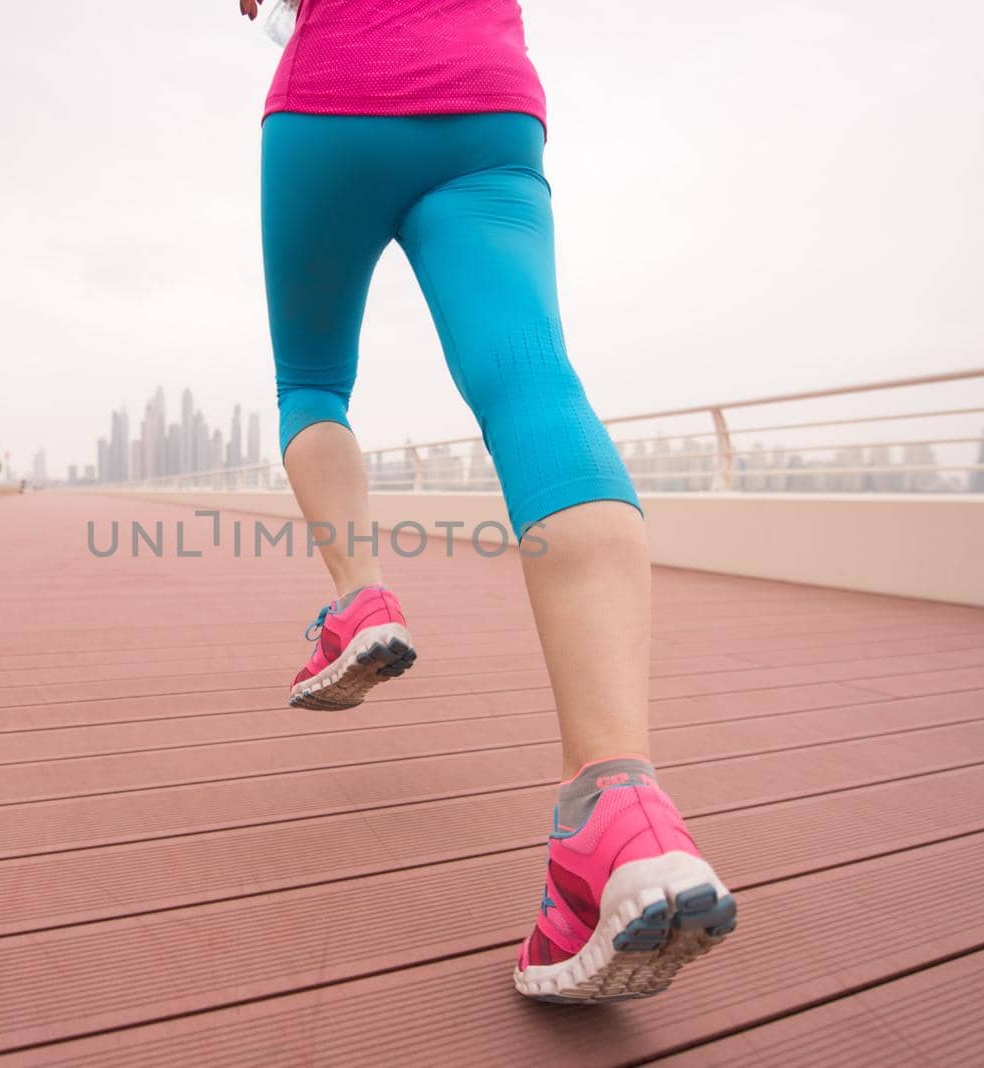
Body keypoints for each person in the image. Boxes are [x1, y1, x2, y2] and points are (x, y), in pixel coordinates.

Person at [238, 0, 736, 1002]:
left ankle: (358, 600)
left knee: (312, 384)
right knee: (534, 385)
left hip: (329, 101)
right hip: (485, 98)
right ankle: (616, 808)